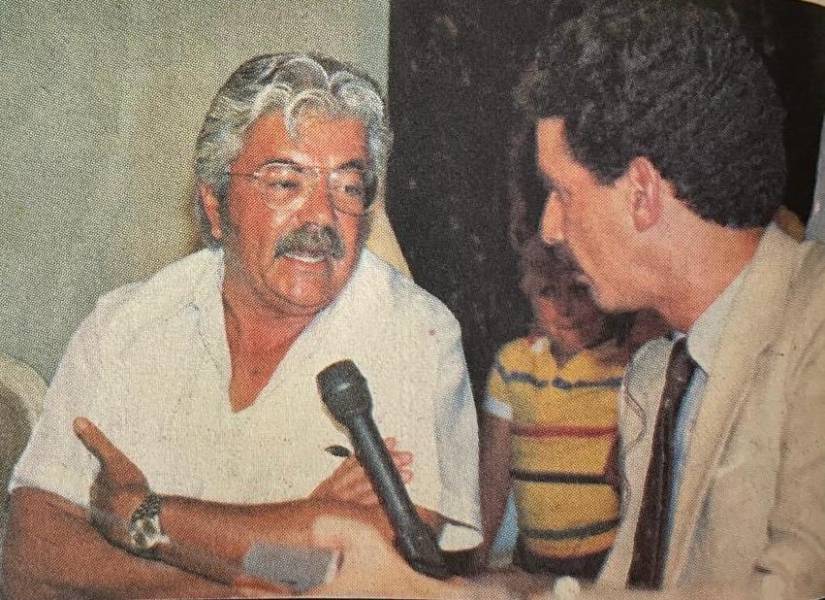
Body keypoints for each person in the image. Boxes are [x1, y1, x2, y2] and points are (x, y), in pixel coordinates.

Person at [305, 2, 825, 598]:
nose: (550, 228)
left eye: (561, 192)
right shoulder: (656, 374)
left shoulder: (815, 326)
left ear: (641, 192)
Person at [1, 53, 481, 598]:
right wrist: (236, 573)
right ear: (215, 205)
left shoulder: (416, 334)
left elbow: (372, 568)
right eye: (285, 183)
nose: (321, 216)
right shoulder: (125, 326)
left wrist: (142, 516)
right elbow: (29, 560)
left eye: (348, 187)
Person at [479, 237, 628, 578]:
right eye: (547, 292)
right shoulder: (513, 362)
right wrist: (477, 559)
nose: (565, 308)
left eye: (578, 290)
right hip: (531, 561)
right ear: (528, 294)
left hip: (606, 561)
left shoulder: (626, 367)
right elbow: (493, 474)